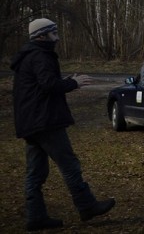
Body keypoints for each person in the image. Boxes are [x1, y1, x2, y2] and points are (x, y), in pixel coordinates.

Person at [11, 18, 116, 230]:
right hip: (45, 122)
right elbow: (48, 85)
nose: (57, 37)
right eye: (53, 33)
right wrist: (73, 83)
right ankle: (86, 206)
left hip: (31, 123)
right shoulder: (41, 55)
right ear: (42, 36)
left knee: (35, 173)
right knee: (69, 166)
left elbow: (41, 85)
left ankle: (36, 217)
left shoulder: (29, 56)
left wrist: (67, 81)